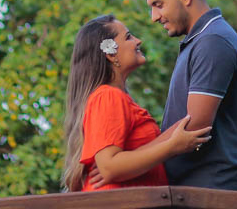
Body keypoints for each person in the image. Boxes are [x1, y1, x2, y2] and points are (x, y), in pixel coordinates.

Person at [61, 14, 212, 192]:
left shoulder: (116, 98)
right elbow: (109, 167)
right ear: (110, 53)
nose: (138, 41)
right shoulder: (108, 97)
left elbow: (119, 162)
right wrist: (171, 147)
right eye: (128, 37)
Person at [142, 0, 237, 191]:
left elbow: (194, 127)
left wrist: (129, 162)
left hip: (213, 192)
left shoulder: (213, 40)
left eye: (158, 5)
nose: (154, 17)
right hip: (192, 191)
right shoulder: (200, 40)